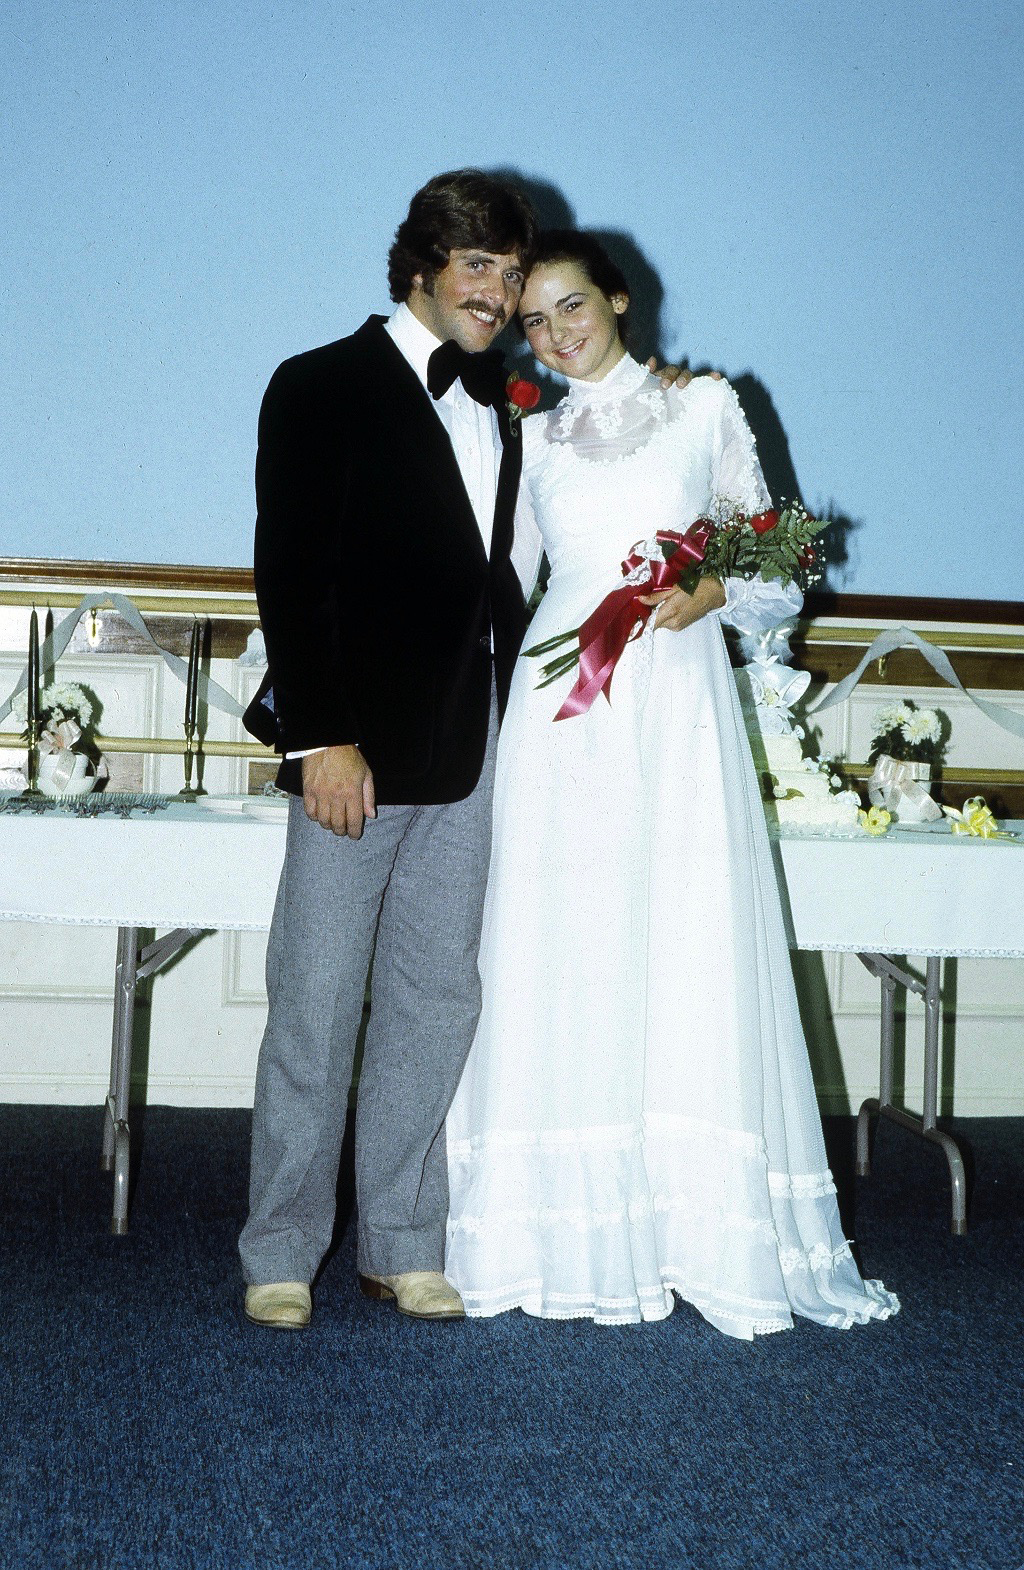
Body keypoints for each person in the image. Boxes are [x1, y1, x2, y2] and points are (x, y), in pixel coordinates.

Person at [239, 174, 697, 1330]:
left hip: (480, 742)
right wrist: (320, 739)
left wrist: (667, 399)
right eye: (477, 266)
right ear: (421, 268)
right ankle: (280, 1248)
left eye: (509, 270)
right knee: (316, 995)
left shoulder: (510, 394)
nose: (497, 293)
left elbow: (587, 471)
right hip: (356, 750)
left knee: (436, 998)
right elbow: (292, 575)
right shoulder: (319, 384)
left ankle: (402, 1239)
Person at [444, 231, 900, 1338]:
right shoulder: (531, 431)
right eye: (534, 319)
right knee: (567, 937)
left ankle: (691, 1228)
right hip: (566, 712)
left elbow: (777, 549)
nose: (554, 332)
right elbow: (501, 579)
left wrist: (709, 589)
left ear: (617, 298)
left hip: (677, 694)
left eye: (569, 306)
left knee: (682, 930)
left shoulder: (707, 409)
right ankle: (546, 1228)